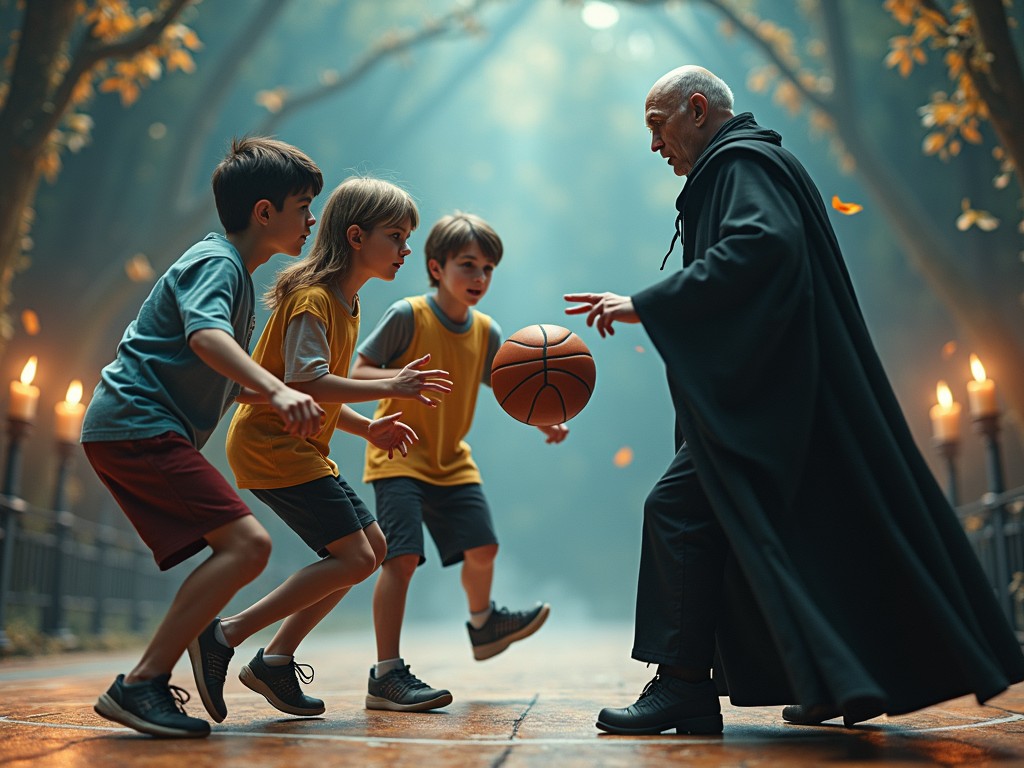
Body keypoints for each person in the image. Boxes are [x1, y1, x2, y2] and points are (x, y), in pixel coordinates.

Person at [565, 65, 1024, 736]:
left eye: (657, 126)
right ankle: (833, 680)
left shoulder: (738, 165)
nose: (655, 145)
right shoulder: (749, 163)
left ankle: (683, 686)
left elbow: (762, 246)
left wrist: (644, 304)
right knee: (814, 536)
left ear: (697, 109)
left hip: (774, 406)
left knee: (679, 511)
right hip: (794, 396)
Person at [83, 136, 326, 738]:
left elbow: (217, 372)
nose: (311, 219)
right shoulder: (217, 263)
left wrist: (273, 395)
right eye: (302, 206)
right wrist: (275, 388)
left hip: (137, 428)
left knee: (243, 547)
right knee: (248, 546)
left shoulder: (235, 273)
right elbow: (206, 341)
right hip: (137, 423)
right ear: (263, 212)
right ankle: (142, 683)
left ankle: (159, 670)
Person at [187, 177, 453, 723]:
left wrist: (367, 429)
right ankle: (224, 634)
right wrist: (389, 387)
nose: (406, 249)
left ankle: (276, 661)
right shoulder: (314, 300)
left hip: (295, 446)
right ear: (356, 236)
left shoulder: (344, 302)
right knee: (355, 556)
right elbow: (308, 381)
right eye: (396, 236)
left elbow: (316, 389)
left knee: (371, 550)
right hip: (271, 447)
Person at [351, 211, 565, 712]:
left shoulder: (486, 330)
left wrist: (544, 419)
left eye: (488, 269)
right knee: (401, 559)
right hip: (398, 453)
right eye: (468, 265)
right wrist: (396, 380)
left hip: (451, 461)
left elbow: (511, 388)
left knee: (484, 547)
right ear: (435, 267)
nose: (479, 278)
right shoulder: (408, 315)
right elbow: (357, 368)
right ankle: (385, 674)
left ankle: (483, 625)